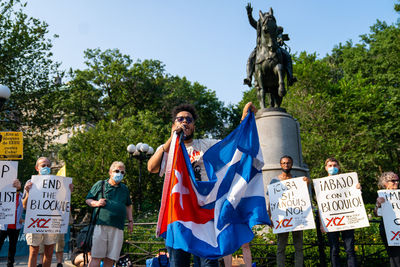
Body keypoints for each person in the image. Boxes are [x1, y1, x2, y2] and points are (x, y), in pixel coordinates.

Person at [147, 102, 256, 267]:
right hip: (178, 213)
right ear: (173, 124)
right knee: (178, 262)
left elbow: (233, 147)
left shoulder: (206, 145)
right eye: (180, 119)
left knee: (208, 262)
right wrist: (172, 138)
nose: (185, 122)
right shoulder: (168, 149)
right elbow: (152, 167)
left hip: (204, 213)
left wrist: (244, 120)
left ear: (194, 125)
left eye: (189, 120)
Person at [85, 161, 133, 267]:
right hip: (100, 225)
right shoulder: (100, 184)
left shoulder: (124, 189)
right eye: (117, 171)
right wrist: (96, 203)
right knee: (96, 257)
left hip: (118, 227)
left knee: (111, 258)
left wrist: (130, 220)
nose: (119, 174)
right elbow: (88, 199)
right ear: (110, 172)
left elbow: (128, 205)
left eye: (122, 172)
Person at [268, 155, 309, 267]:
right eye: (284, 163)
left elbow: (304, 197)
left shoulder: (297, 180)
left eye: (288, 163)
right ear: (281, 165)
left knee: (299, 247)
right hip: (282, 218)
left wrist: (307, 183)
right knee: (281, 247)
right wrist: (270, 216)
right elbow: (271, 201)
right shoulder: (274, 181)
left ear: (291, 164)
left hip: (296, 217)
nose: (286, 165)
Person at [243, 3, 296, 88]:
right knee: (250, 59)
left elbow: (280, 35)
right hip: (261, 48)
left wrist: (281, 39)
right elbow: (252, 22)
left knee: (287, 56)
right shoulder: (261, 26)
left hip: (275, 47)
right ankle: (249, 78)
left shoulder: (276, 28)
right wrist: (249, 15)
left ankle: (290, 77)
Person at [23, 157, 59, 267]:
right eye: (43, 165)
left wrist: (67, 190)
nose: (46, 168)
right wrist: (28, 192)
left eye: (48, 166)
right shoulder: (30, 182)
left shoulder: (57, 183)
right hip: (35, 220)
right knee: (34, 251)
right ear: (37, 168)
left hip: (51, 221)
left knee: (49, 252)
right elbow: (24, 205)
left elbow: (62, 203)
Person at [322, 157, 357, 267]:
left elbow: (355, 198)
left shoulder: (348, 181)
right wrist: (321, 223)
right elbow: (321, 205)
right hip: (330, 220)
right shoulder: (321, 184)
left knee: (350, 249)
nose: (333, 168)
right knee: (334, 250)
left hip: (347, 220)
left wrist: (357, 189)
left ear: (339, 167)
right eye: (330, 166)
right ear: (326, 168)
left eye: (335, 165)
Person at [374, 172, 400, 267]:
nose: (396, 183)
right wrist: (378, 204)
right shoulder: (382, 196)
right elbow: (377, 214)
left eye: (397, 180)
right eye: (393, 181)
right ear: (385, 183)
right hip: (389, 230)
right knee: (394, 256)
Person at [0, 179, 23, 267]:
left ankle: (10, 264)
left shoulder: (22, 196)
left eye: (18, 182)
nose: (16, 184)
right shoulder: (3, 194)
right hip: (3, 225)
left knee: (12, 247)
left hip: (16, 226)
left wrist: (23, 219)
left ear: (20, 185)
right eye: (14, 183)